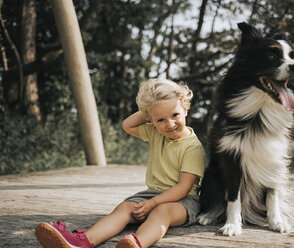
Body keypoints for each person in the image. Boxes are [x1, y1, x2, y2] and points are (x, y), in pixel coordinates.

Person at [35, 79, 206, 248]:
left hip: (183, 202)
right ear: (152, 120)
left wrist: (154, 203)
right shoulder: (156, 133)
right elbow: (127, 125)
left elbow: (183, 188)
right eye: (160, 119)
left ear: (185, 108)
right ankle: (82, 242)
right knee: (124, 208)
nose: (169, 124)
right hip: (151, 195)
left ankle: (136, 244)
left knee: (162, 212)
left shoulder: (192, 147)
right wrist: (149, 109)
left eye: (175, 115)